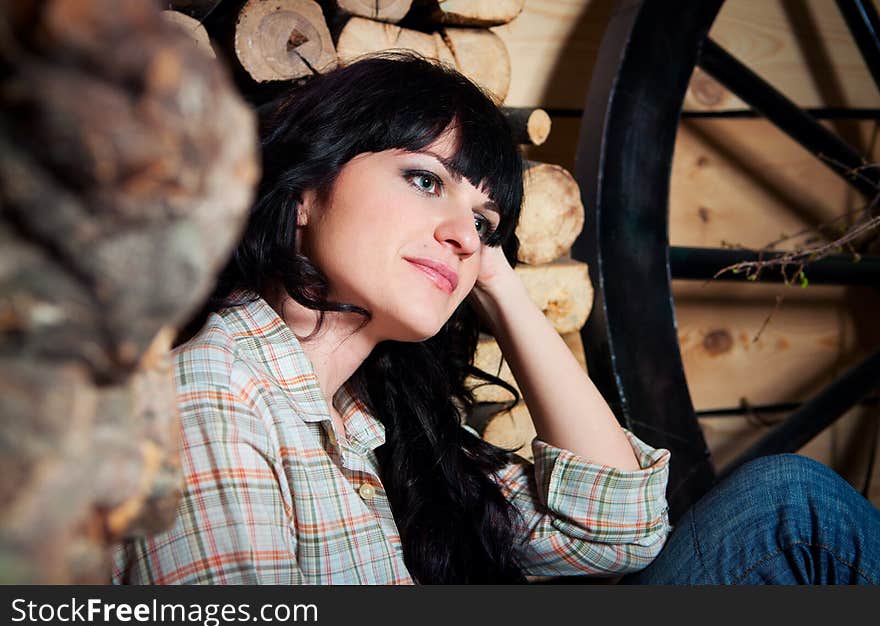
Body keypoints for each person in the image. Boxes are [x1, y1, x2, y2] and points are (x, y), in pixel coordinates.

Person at [111, 52, 880, 585]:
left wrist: (500, 282)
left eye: (486, 220)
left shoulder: (377, 421)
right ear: (305, 191)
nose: (463, 233)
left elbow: (617, 528)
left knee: (790, 507)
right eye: (424, 179)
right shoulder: (213, 389)